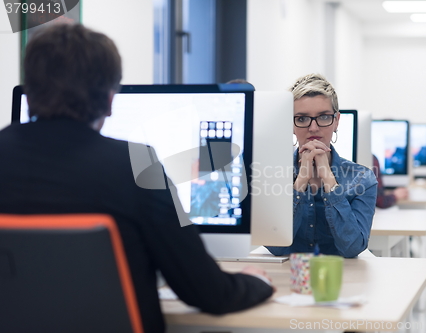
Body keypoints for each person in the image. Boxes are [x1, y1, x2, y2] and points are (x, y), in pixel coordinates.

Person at [0, 24, 273, 333]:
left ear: (30, 89)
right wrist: (256, 281)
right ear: (109, 98)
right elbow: (209, 293)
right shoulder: (137, 165)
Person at [266, 74, 377, 258]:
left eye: (323, 117)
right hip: (290, 277)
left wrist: (328, 179)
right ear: (290, 123)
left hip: (344, 279)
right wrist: (300, 181)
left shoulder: (362, 179)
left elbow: (352, 248)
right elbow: (276, 247)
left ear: (336, 121)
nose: (314, 128)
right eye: (302, 119)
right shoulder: (274, 175)